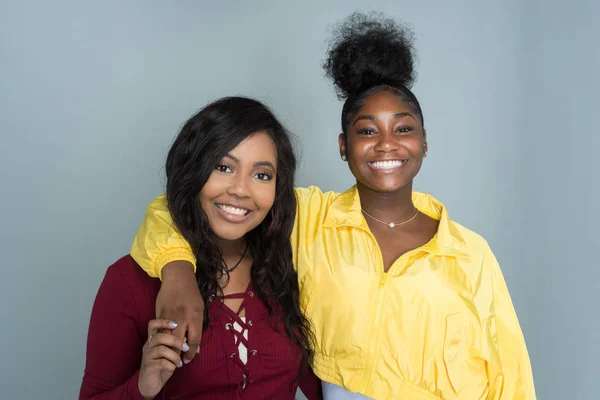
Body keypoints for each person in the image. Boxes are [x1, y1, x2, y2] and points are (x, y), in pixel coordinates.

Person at [129, 13, 536, 400]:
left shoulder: (469, 253)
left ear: (424, 141)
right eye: (366, 130)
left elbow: (510, 375)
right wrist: (177, 272)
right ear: (344, 146)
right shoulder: (309, 220)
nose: (387, 143)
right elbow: (182, 206)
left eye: (404, 128)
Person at [80, 97, 321, 399]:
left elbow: (328, 384)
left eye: (262, 175)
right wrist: (142, 388)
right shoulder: (130, 281)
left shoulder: (292, 268)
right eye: (223, 167)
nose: (241, 190)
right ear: (193, 170)